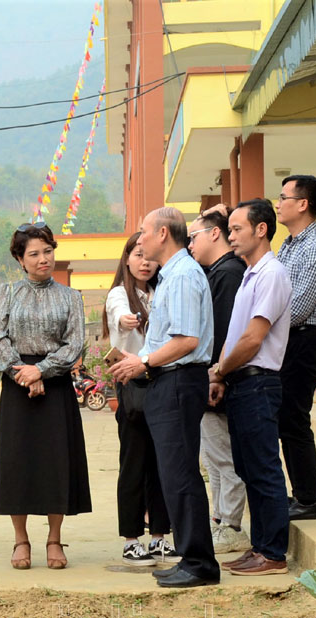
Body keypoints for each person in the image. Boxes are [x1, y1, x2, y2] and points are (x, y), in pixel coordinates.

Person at [109, 206, 219, 588]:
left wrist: (144, 361)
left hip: (177, 381)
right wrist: (142, 360)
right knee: (173, 475)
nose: (138, 240)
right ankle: (191, 556)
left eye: (143, 232)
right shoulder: (173, 275)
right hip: (166, 379)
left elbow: (187, 340)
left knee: (181, 474)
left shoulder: (185, 275)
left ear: (162, 234)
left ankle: (200, 564)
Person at [0, 222, 91, 570]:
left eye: (47, 251)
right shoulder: (6, 292)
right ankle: (21, 539)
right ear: (20, 258)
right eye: (34, 253)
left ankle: (53, 538)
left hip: (56, 385)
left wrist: (42, 370)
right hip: (17, 384)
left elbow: (75, 343)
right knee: (17, 461)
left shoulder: (70, 297)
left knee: (55, 462)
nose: (43, 258)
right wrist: (22, 372)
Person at [209, 199, 292, 576]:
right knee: (247, 467)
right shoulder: (249, 274)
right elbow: (234, 334)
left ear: (261, 229)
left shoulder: (272, 273)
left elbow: (253, 339)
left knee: (263, 469)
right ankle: (260, 547)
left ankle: (273, 553)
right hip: (241, 383)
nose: (231, 235)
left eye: (238, 228)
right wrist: (220, 374)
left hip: (258, 384)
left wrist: (221, 370)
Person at [102, 233, 173, 566]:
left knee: (161, 465)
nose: (145, 262)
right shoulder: (120, 294)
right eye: (138, 255)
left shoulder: (162, 291)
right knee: (134, 463)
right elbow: (119, 313)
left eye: (150, 257)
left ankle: (159, 537)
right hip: (132, 387)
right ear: (127, 258)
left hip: (160, 383)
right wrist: (125, 319)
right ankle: (132, 539)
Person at [187, 206, 250, 554]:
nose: (190, 244)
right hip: (212, 379)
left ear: (215, 233)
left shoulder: (228, 273)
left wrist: (218, 375)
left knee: (224, 458)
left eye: (193, 236)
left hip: (219, 380)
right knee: (212, 458)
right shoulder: (216, 272)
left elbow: (225, 331)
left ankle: (231, 524)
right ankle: (219, 520)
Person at [275, 174, 316, 521]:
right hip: (287, 338)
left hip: (304, 339)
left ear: (303, 204)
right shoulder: (289, 244)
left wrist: (262, 325)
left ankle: (307, 500)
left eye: (284, 197)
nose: (278, 203)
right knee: (285, 419)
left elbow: (298, 308)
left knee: (294, 419)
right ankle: (297, 495)